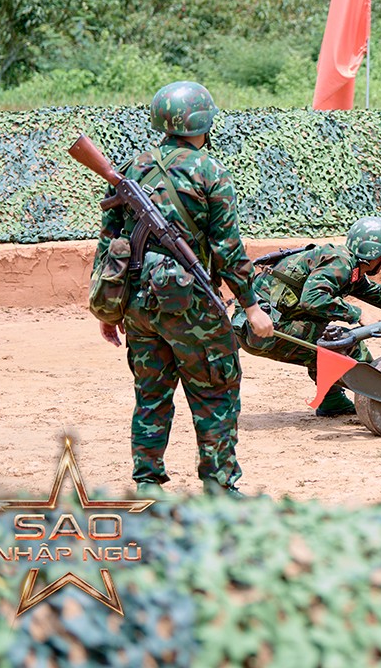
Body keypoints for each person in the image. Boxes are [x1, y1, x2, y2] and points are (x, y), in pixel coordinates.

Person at [93, 81, 272, 498]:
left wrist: (107, 309)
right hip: (190, 304)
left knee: (151, 393)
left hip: (137, 303)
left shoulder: (131, 169)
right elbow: (228, 249)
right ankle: (218, 485)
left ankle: (147, 483)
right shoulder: (210, 172)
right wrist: (251, 305)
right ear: (204, 121)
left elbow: (108, 245)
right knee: (216, 387)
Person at [236, 216, 381, 416]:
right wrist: (357, 313)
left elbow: (378, 295)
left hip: (260, 328)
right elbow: (312, 299)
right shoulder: (340, 263)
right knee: (344, 343)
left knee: (325, 337)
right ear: (371, 252)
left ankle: (332, 400)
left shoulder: (349, 266)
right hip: (264, 330)